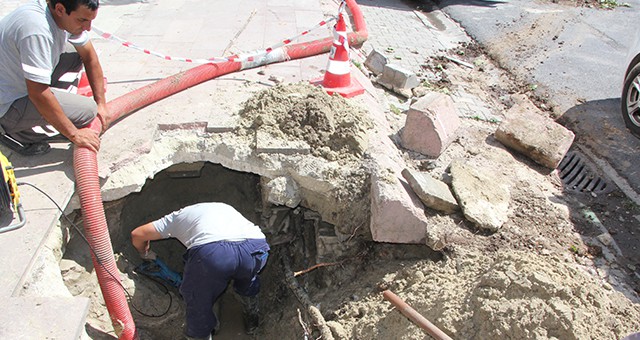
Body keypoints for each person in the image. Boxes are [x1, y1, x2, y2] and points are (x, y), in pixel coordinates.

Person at [131, 202, 271, 340]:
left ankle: (200, 334)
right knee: (247, 277)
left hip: (214, 254)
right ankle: (252, 321)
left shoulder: (176, 218)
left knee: (197, 300)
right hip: (255, 248)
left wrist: (145, 253)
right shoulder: (223, 207)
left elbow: (137, 234)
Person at [0, 0, 106, 156]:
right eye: (82, 20)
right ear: (60, 9)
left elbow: (89, 56)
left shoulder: (51, 10)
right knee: (87, 111)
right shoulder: (37, 31)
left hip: (14, 81)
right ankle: (15, 133)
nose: (88, 27)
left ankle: (48, 109)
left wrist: (102, 105)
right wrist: (74, 134)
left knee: (75, 54)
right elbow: (38, 93)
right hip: (6, 106)